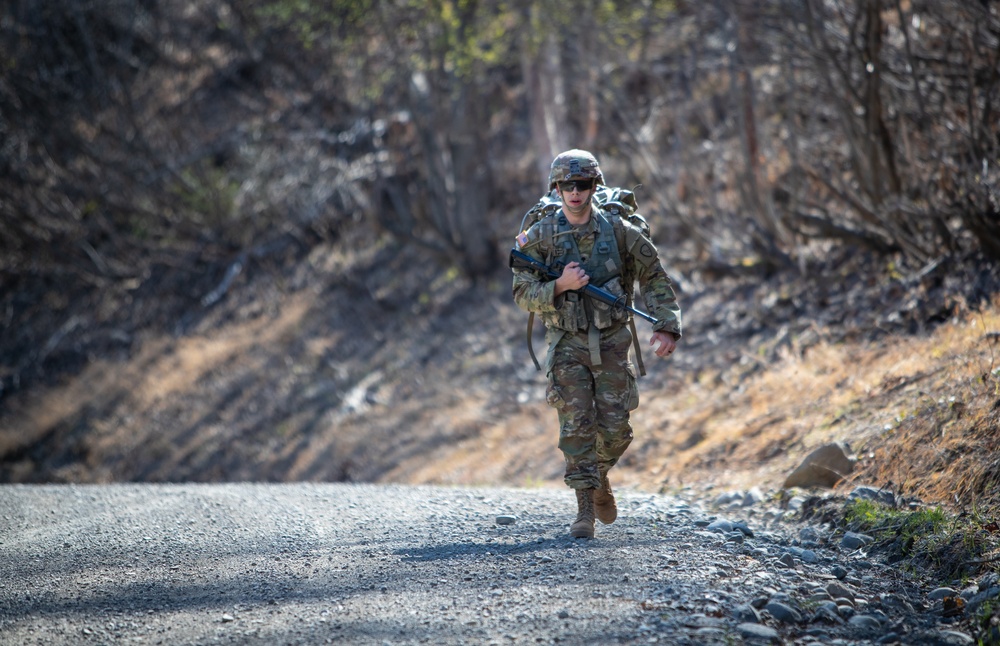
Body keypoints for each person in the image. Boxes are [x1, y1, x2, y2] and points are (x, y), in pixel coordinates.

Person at [511, 149, 682, 539]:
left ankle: (599, 476)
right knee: (576, 427)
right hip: (566, 341)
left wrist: (667, 327)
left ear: (594, 186)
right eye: (567, 185)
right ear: (556, 187)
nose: (574, 192)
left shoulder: (620, 231)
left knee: (617, 429)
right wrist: (559, 285)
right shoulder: (540, 236)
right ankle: (584, 510)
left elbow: (653, 276)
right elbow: (521, 290)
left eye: (582, 185)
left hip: (612, 340)